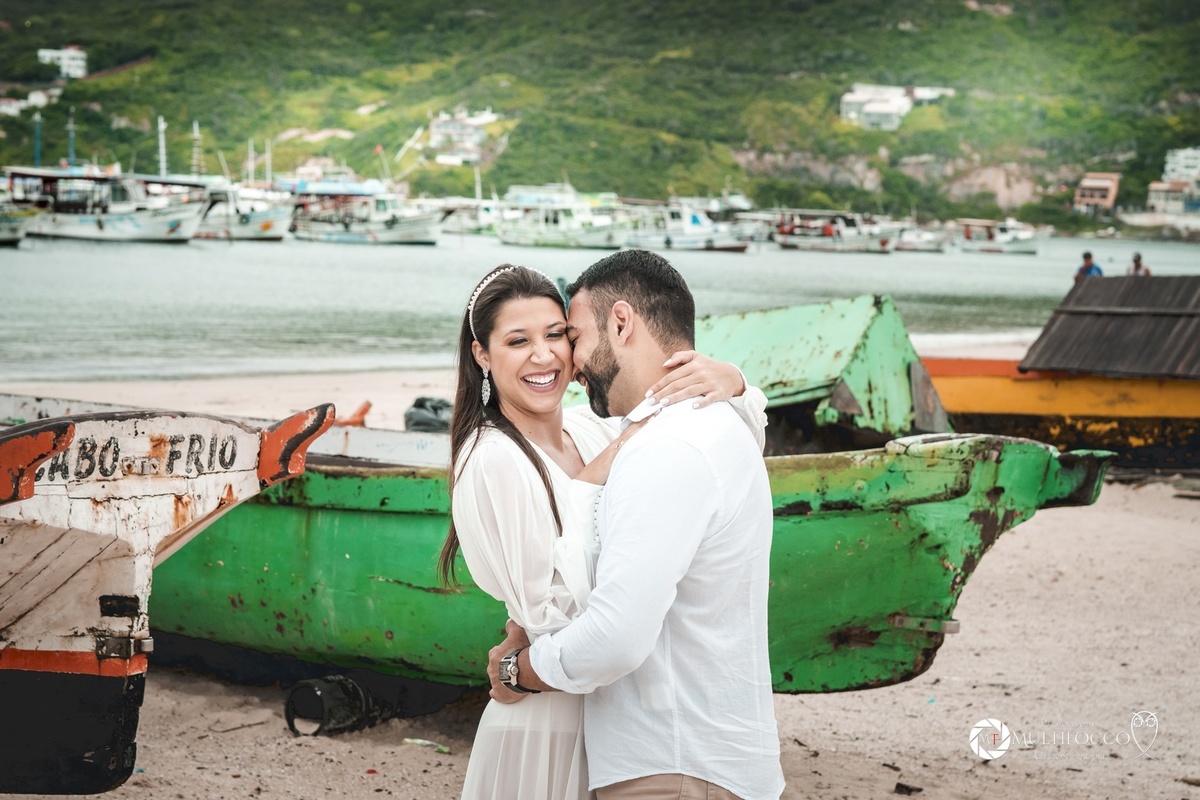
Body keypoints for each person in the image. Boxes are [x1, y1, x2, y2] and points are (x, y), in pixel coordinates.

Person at [442, 264, 765, 799]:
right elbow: (552, 614)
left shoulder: (589, 427)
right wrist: (598, 476)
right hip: (549, 714)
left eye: (559, 335)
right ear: (482, 355)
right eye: (518, 341)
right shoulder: (493, 457)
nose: (544, 355)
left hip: (604, 714)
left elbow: (729, 433)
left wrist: (731, 378)